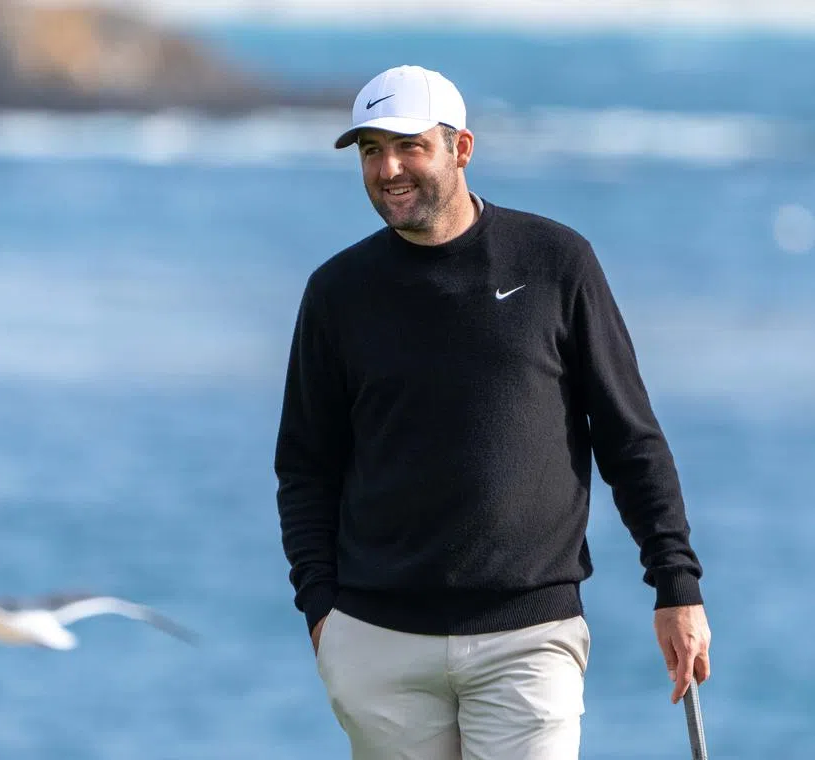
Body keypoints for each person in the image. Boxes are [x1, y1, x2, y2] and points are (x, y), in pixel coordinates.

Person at [273, 64, 711, 760]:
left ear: (461, 148)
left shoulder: (555, 262)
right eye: (370, 151)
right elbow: (305, 468)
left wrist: (676, 587)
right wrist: (323, 615)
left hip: (528, 638)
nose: (388, 168)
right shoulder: (336, 293)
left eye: (408, 146)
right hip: (378, 646)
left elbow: (629, 438)